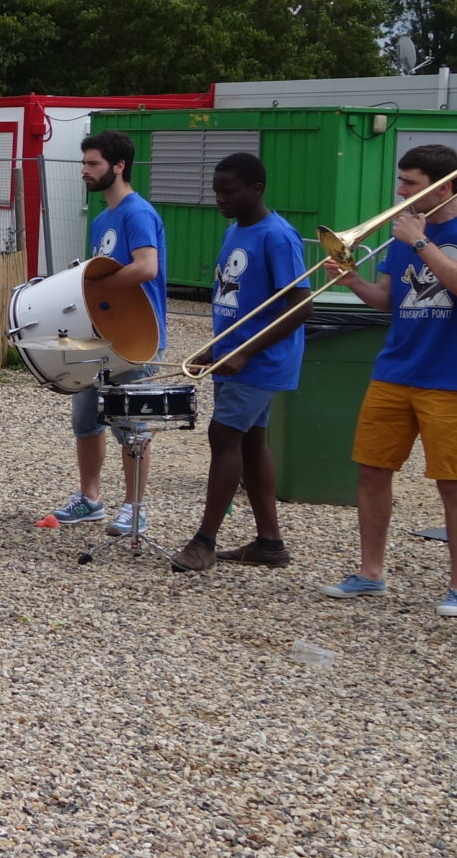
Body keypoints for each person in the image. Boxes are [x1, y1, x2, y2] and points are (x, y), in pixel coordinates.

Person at [319, 143, 457, 618]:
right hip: (394, 369)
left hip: (453, 375)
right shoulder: (405, 232)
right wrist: (353, 281)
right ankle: (370, 572)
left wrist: (421, 242)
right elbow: (388, 298)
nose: (400, 192)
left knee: (453, 481)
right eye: (400, 182)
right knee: (371, 470)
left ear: (444, 185)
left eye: (410, 184)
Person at [171, 151, 308, 574]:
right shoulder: (234, 230)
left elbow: (301, 306)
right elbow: (239, 299)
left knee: (223, 435)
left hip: (261, 361)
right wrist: (215, 348)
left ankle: (205, 541)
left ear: (257, 188)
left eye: (229, 192)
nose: (220, 200)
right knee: (250, 442)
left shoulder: (278, 236)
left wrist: (245, 351)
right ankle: (269, 543)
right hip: (234, 356)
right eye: (216, 192)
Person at [40, 131, 168, 540]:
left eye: (92, 164)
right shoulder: (101, 219)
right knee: (85, 419)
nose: (84, 171)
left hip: (135, 337)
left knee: (131, 424)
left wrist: (96, 290)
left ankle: (135, 508)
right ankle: (90, 499)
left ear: (118, 166)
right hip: (98, 334)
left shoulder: (137, 213)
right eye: (83, 163)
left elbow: (146, 267)